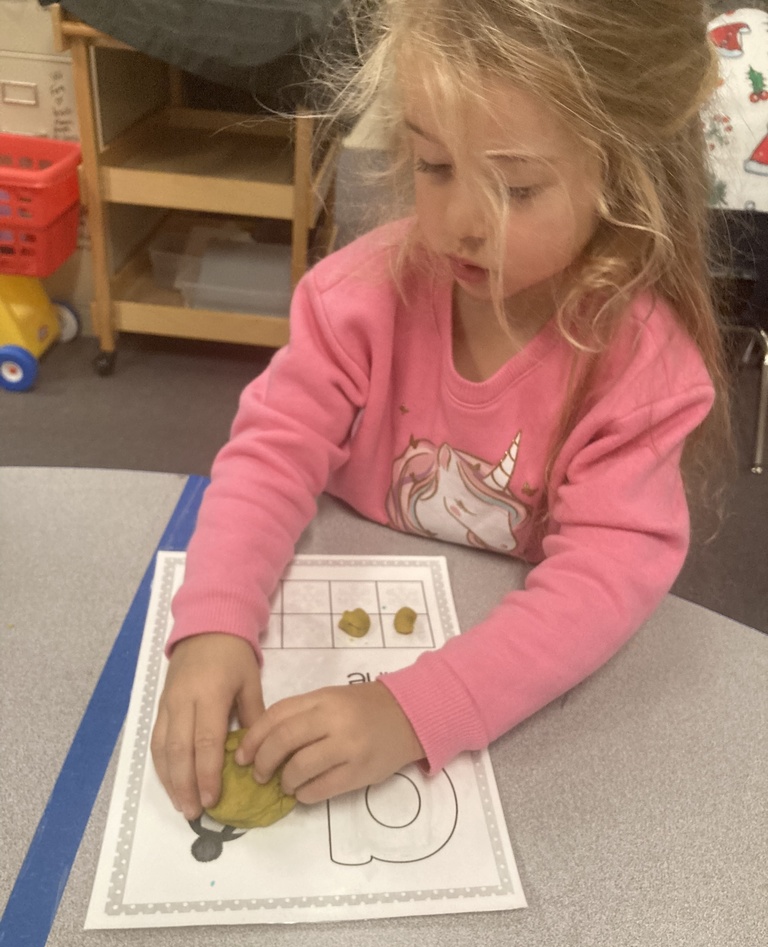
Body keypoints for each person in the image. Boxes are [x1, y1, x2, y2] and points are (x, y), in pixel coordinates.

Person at [151, 0, 731, 820]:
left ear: (622, 176)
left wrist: (413, 711)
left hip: (502, 662)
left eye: (516, 186)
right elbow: (271, 455)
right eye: (433, 165)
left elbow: (602, 581)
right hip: (351, 591)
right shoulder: (357, 297)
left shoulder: (641, 367)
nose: (460, 223)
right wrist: (212, 622)